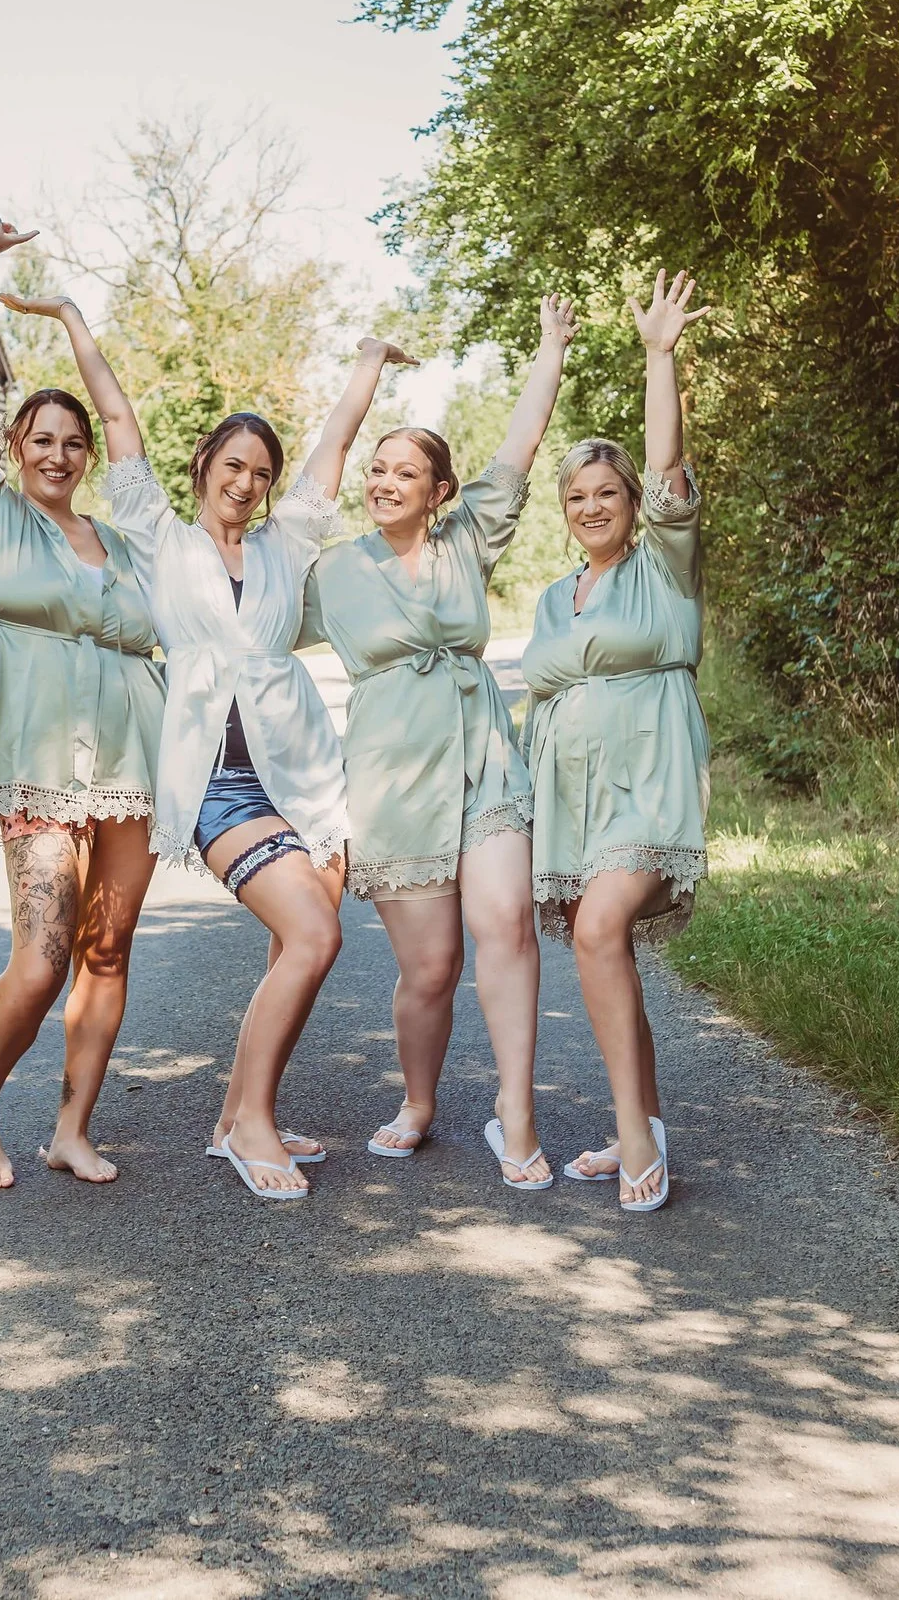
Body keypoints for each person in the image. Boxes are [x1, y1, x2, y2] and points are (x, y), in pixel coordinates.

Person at [13, 304, 412, 1199]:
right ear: (204, 467)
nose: (247, 482)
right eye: (234, 464)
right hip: (217, 784)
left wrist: (369, 365)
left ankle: (238, 1113)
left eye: (261, 473)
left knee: (294, 951)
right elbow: (116, 418)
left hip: (306, 775)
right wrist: (75, 322)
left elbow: (333, 449)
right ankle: (253, 1128)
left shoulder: (284, 545)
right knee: (314, 934)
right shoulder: (158, 535)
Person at [300, 298, 576, 1188]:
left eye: (403, 472)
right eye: (376, 469)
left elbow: (520, 447)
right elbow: (247, 627)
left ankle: (516, 1112)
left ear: (438, 492)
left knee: (506, 929)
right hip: (392, 780)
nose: (383, 481)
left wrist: (550, 349)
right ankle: (418, 1102)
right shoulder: (332, 572)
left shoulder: (468, 539)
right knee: (431, 965)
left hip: (484, 759)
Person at [0, 219, 166, 1189]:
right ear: (13, 446)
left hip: (129, 766)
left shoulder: (121, 543)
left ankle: (72, 1128)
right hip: (36, 762)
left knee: (105, 953)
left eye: (72, 442)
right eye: (42, 438)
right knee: (40, 959)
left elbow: (128, 430)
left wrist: (78, 323)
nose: (62, 452)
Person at [521, 268, 713, 1213]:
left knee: (601, 930)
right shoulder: (556, 598)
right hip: (574, 795)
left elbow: (670, 462)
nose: (592, 506)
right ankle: (640, 1121)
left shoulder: (664, 569)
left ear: (635, 502)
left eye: (608, 491)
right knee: (611, 954)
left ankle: (638, 1139)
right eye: (576, 497)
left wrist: (658, 356)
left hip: (651, 776)